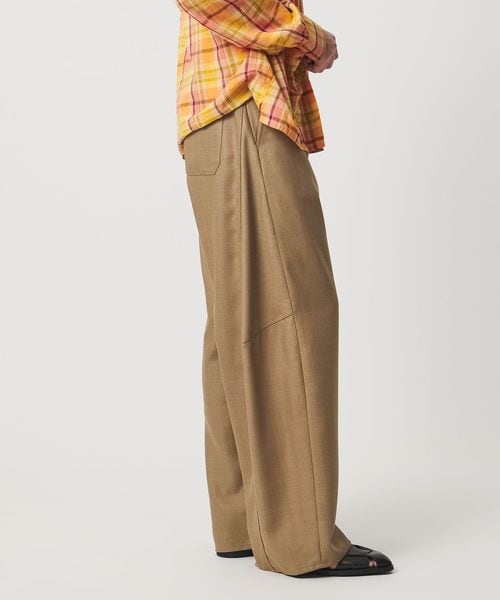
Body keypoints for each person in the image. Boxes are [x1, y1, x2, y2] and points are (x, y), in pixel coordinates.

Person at [174, 0, 394, 578]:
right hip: (244, 118)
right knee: (294, 313)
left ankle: (244, 522)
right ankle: (299, 541)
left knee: (236, 320)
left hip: (224, 123)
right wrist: (310, 36)